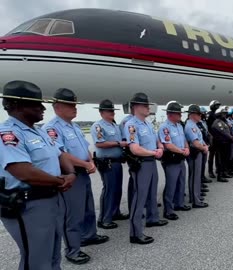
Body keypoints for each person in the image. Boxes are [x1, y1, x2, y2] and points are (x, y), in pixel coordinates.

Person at [0, 80, 76, 270]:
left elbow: (61, 154)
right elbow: (23, 171)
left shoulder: (39, 132)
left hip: (52, 199)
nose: (43, 108)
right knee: (36, 258)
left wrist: (71, 173)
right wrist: (60, 180)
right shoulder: (9, 133)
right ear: (16, 105)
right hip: (29, 206)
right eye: (35, 104)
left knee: (52, 254)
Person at [43, 88, 108, 264]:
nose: (74, 108)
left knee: (87, 208)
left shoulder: (74, 126)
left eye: (75, 104)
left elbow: (84, 148)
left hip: (83, 173)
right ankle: (72, 250)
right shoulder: (52, 128)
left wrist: (90, 161)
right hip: (70, 175)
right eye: (70, 105)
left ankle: (88, 235)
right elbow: (61, 154)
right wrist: (85, 164)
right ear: (57, 107)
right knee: (72, 214)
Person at [124, 92, 167, 245]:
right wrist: (154, 152)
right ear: (135, 107)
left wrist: (160, 147)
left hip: (151, 161)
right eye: (145, 105)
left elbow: (157, 140)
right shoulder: (131, 125)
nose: (148, 107)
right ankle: (135, 233)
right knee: (139, 198)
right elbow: (135, 149)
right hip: (142, 163)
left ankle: (152, 219)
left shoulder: (148, 123)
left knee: (151, 193)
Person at [90, 99, 129, 230]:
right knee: (109, 190)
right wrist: (118, 144)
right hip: (107, 162)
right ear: (101, 112)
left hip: (117, 162)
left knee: (117, 189)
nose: (112, 113)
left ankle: (115, 212)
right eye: (109, 111)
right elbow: (99, 143)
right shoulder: (98, 126)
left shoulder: (114, 125)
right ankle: (104, 219)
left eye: (112, 110)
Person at [159, 101, 192, 220]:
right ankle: (168, 210)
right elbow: (168, 145)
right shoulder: (165, 127)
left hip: (180, 157)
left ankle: (179, 204)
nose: (180, 115)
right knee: (171, 185)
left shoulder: (179, 126)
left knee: (181, 182)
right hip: (171, 159)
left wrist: (187, 147)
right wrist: (182, 151)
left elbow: (184, 139)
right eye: (178, 113)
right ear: (170, 114)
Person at [184, 104, 209, 208]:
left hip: (198, 152)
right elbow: (195, 143)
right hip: (195, 153)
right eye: (199, 114)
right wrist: (204, 148)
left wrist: (204, 146)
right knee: (194, 177)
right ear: (192, 114)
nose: (200, 116)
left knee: (196, 176)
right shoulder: (190, 126)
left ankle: (195, 196)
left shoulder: (194, 124)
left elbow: (200, 139)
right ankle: (196, 200)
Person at [210, 106, 233, 181]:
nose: (225, 115)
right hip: (220, 144)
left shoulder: (224, 121)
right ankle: (220, 176)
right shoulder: (217, 122)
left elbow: (229, 129)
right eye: (223, 114)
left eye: (225, 114)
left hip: (226, 143)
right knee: (220, 160)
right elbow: (223, 132)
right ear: (219, 114)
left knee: (225, 159)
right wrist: (231, 137)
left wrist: (231, 136)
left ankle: (224, 172)